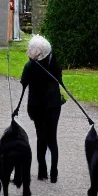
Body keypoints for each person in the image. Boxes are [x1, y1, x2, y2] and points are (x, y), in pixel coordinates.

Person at [13, 35, 64, 183]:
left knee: (41, 137)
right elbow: (60, 81)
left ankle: (42, 171)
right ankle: (53, 172)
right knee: (52, 138)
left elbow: (23, 85)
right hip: (53, 106)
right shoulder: (54, 63)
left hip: (37, 107)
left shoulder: (30, 66)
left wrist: (17, 108)